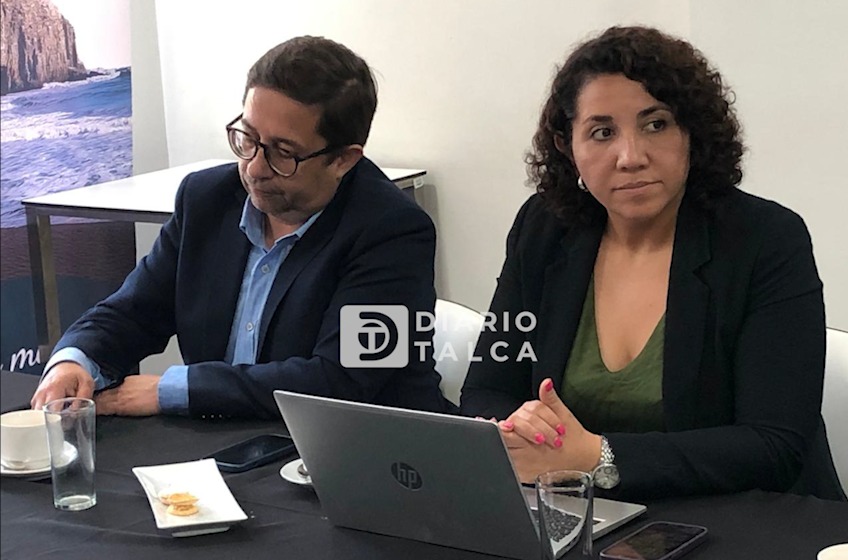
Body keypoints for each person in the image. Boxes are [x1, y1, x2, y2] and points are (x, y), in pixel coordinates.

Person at [460, 26, 845, 501]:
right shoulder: (544, 228)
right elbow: (484, 391)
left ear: (692, 132)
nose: (630, 157)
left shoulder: (765, 239)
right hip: (584, 512)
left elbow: (773, 445)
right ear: (567, 146)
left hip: (743, 517)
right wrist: (521, 429)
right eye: (602, 132)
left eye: (656, 124)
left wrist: (598, 457)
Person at [31, 36, 449, 419]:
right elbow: (134, 311)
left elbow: (342, 383)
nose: (254, 168)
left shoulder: (393, 230)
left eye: (283, 153)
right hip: (228, 444)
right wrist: (75, 359)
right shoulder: (206, 200)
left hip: (362, 450)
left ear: (342, 159)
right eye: (247, 138)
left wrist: (174, 389)